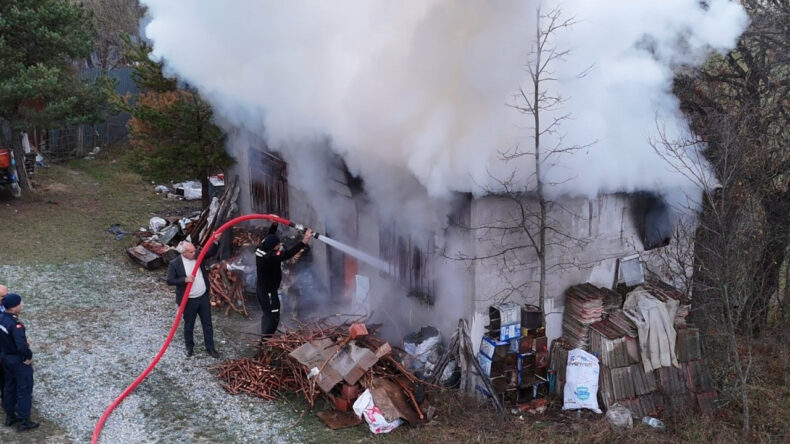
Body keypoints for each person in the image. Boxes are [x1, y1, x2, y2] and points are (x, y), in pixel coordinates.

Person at [167, 235, 220, 358]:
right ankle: (189, 347)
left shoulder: (197, 255)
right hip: (189, 300)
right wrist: (185, 279)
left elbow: (210, 252)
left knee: (207, 323)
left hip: (202, 297)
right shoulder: (175, 264)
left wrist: (215, 241)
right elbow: (169, 280)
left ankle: (210, 348)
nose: (195, 253)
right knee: (189, 324)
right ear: (184, 253)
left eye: (194, 250)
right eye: (191, 252)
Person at [255, 223, 312, 335]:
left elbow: (269, 237)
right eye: (277, 246)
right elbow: (288, 254)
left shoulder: (261, 249)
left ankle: (265, 336)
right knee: (274, 316)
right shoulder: (270, 257)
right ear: (272, 248)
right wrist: (304, 241)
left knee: (267, 314)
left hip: (263, 290)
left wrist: (274, 225)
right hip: (268, 293)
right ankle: (266, 339)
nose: (279, 247)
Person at [0, 293, 39, 432]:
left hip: (5, 358)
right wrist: (28, 356)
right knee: (24, 388)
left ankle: (10, 415)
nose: (21, 305)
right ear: (15, 307)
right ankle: (24, 420)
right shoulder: (16, 325)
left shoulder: (1, 318)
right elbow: (21, 345)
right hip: (17, 360)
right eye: (20, 303)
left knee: (9, 386)